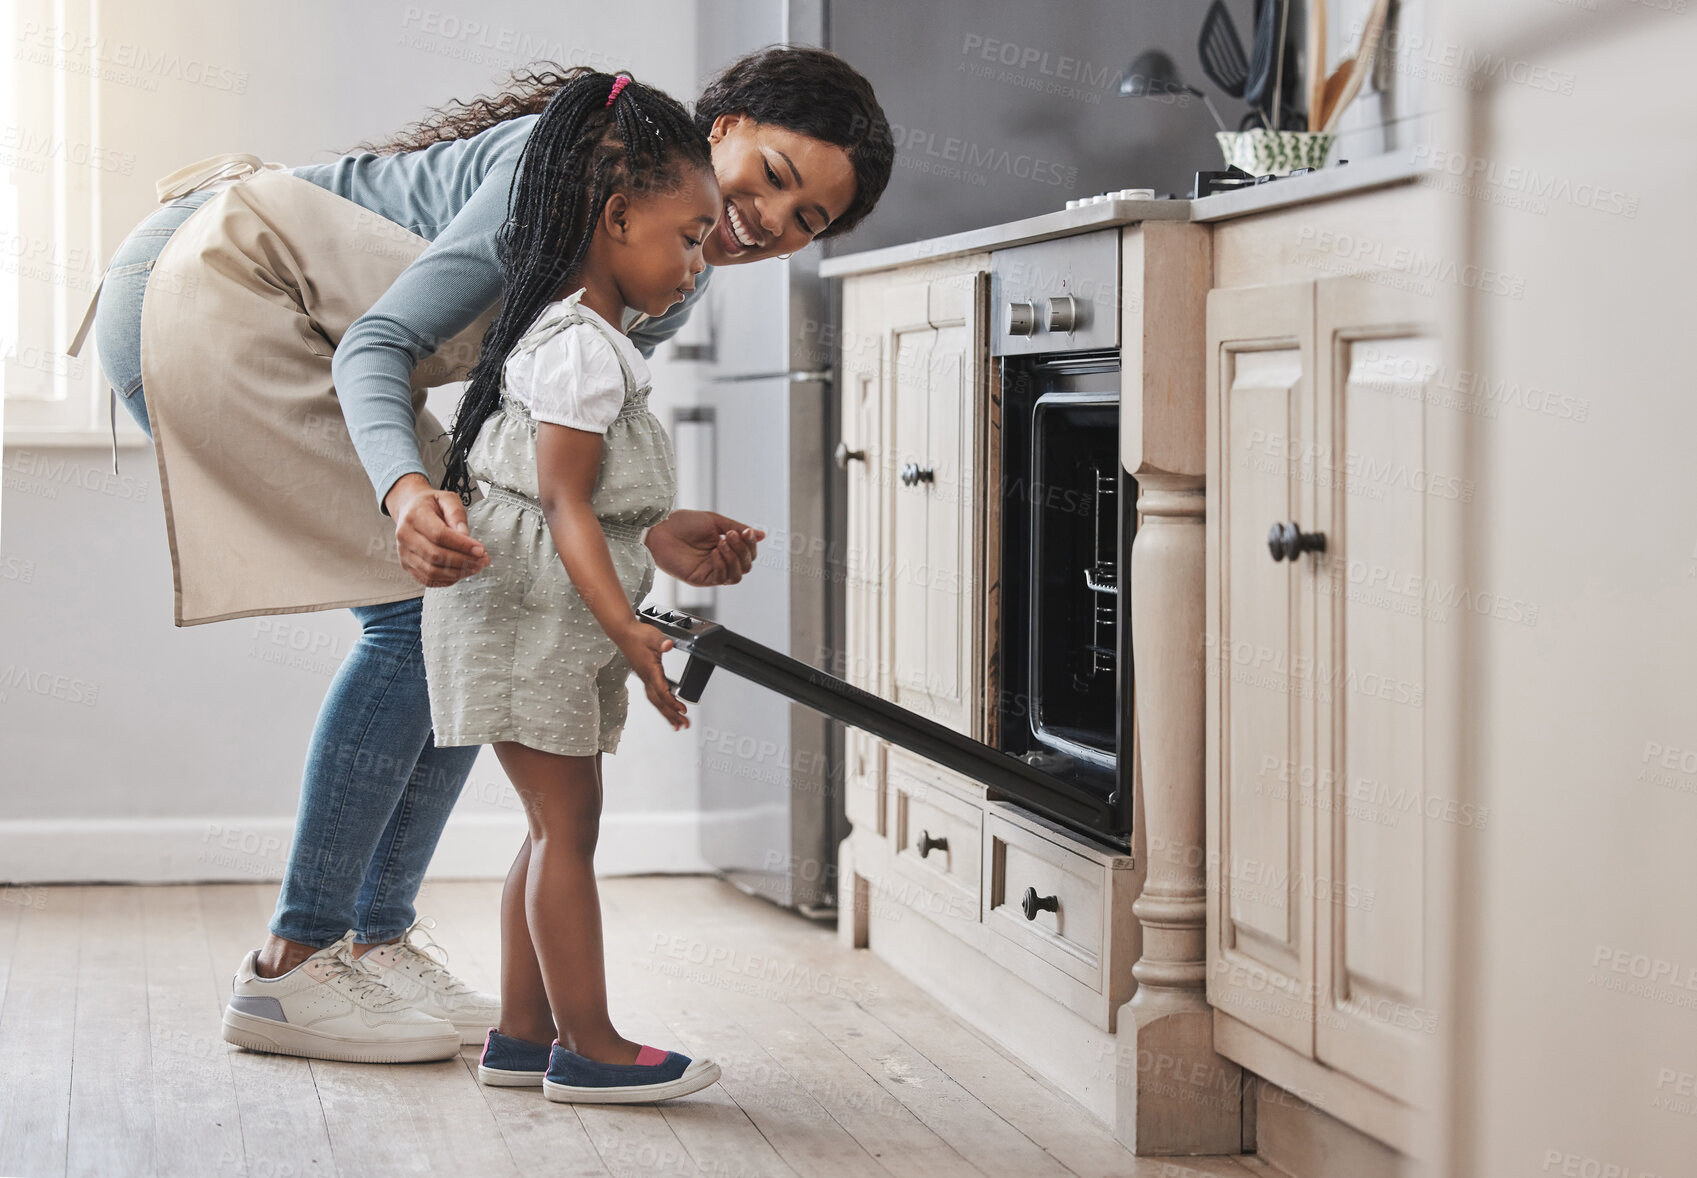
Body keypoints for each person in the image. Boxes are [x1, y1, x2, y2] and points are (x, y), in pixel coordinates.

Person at [87, 47, 893, 1064]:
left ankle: (374, 943)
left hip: (279, 312)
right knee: (416, 612)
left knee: (487, 589)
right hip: (209, 283)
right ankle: (295, 963)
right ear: (722, 126)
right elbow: (374, 344)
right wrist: (404, 486)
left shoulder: (670, 269)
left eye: (806, 221)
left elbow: (544, 453)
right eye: (776, 178)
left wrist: (649, 523)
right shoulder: (580, 171)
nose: (772, 222)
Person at [425, 69, 729, 1103]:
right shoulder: (581, 351)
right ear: (616, 214)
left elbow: (589, 503)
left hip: (540, 616)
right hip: (530, 619)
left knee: (554, 822)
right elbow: (562, 506)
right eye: (690, 235)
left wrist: (667, 541)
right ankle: (588, 1043)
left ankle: (521, 1032)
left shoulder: (577, 338)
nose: (698, 264)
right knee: (568, 825)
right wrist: (634, 632)